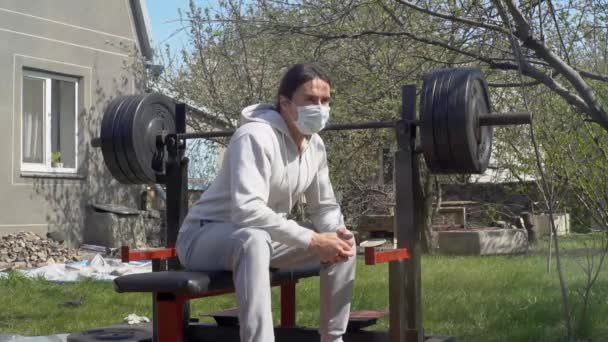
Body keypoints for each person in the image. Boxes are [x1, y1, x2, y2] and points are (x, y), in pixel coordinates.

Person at [176, 63, 356, 342]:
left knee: (344, 244)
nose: (319, 107)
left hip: (262, 237)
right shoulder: (254, 136)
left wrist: (337, 232)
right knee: (254, 239)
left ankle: (333, 338)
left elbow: (324, 207)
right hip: (203, 236)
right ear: (285, 103)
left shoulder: (315, 145)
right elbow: (247, 210)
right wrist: (312, 240)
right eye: (310, 100)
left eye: (325, 101)